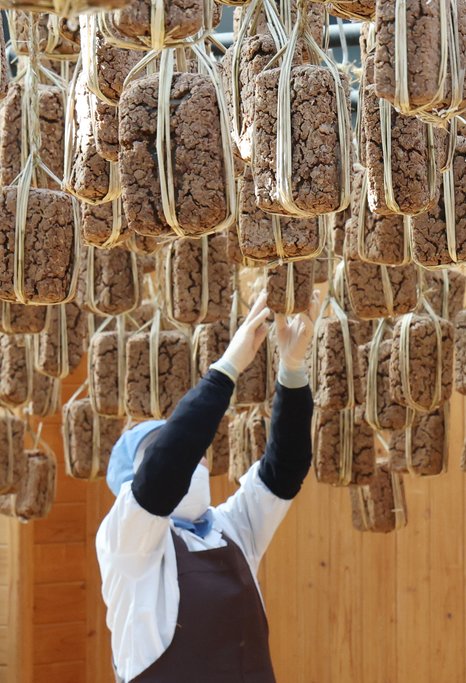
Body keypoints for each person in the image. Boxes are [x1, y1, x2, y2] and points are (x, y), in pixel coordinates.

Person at [97, 290, 318, 683]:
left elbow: (284, 469)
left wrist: (292, 370)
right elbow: (167, 470)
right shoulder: (127, 544)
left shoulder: (229, 529)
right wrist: (227, 368)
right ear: (131, 484)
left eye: (199, 453)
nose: (196, 459)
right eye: (167, 450)